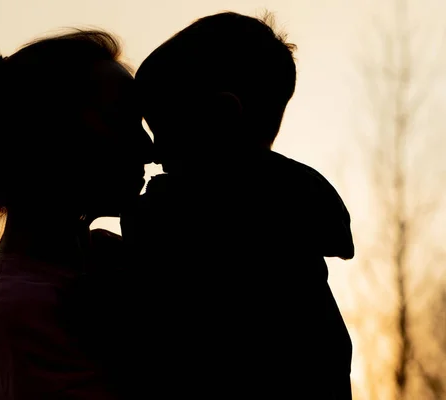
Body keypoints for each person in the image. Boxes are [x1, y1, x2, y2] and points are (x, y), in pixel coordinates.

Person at [121, 11, 355, 399]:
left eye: (162, 129)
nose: (152, 151)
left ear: (219, 119)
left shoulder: (194, 227)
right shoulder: (295, 220)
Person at [0, 29, 152, 399]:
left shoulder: (101, 260)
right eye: (122, 121)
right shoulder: (28, 310)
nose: (148, 147)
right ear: (50, 134)